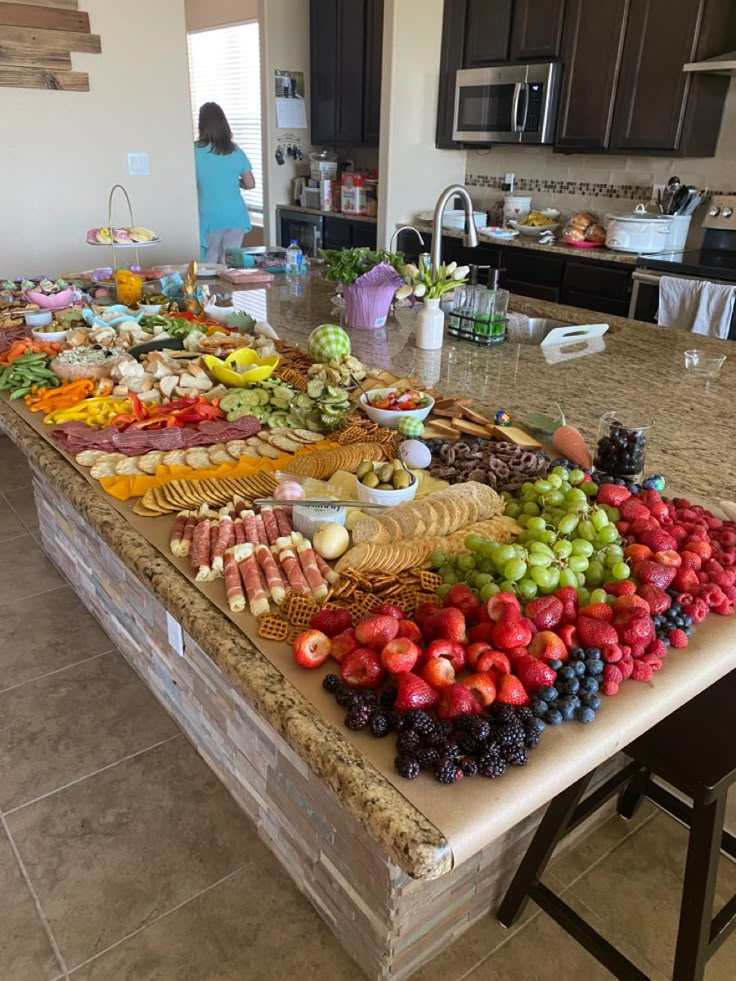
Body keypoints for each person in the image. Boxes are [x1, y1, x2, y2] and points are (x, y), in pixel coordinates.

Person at [194, 102, 255, 263]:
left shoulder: (194, 151)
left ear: (202, 125)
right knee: (229, 264)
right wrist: (235, 182)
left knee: (209, 262)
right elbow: (250, 184)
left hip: (208, 215)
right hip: (235, 215)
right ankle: (227, 290)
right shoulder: (235, 150)